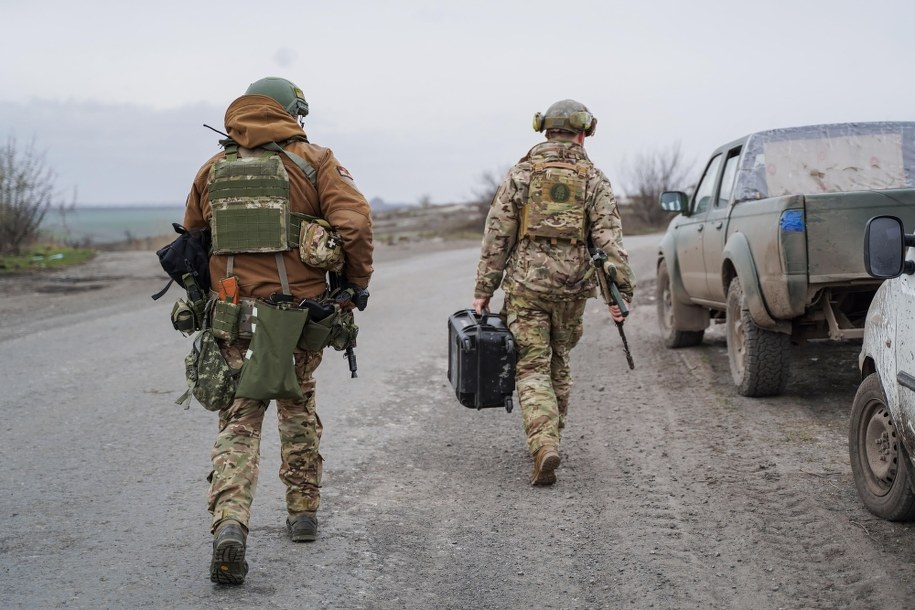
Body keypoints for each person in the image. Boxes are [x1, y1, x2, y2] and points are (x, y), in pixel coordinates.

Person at [182, 77, 373, 584]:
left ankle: (230, 525)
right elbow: (354, 225)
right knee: (298, 406)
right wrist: (354, 284)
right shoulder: (314, 161)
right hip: (298, 318)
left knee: (239, 423)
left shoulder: (214, 168)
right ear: (294, 113)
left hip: (233, 317)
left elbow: (193, 243)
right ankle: (303, 512)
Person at [472, 99, 634, 487]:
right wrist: (618, 296)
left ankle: (543, 444)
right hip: (573, 289)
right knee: (559, 359)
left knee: (531, 366)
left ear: (545, 130)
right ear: (583, 133)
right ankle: (552, 438)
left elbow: (498, 235)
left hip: (527, 288)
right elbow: (610, 243)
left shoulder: (521, 174)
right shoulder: (594, 178)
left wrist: (484, 290)